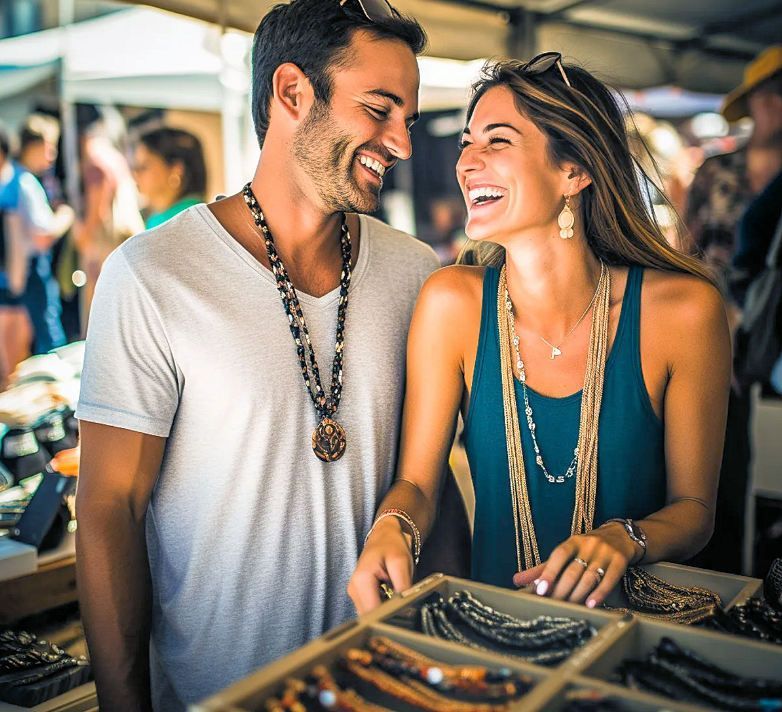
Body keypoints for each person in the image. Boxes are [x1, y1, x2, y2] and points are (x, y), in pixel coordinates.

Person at [75, 1, 433, 709]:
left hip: (381, 687)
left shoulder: (418, 274)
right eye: (380, 109)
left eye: (409, 121)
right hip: (216, 695)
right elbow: (109, 507)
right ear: (292, 93)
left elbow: (428, 487)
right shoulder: (153, 274)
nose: (403, 144)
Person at [349, 55, 731, 614]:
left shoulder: (685, 312)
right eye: (466, 141)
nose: (466, 162)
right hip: (496, 639)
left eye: (496, 142)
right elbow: (418, 484)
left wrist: (624, 537)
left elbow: (695, 510)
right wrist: (393, 526)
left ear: (573, 172)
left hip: (636, 637)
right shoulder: (451, 303)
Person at [688, 45, 782, 574]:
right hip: (713, 328)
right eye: (770, 97)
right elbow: (683, 247)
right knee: (715, 465)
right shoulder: (717, 171)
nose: (776, 108)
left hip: (769, 336)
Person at [0, 115, 74, 359]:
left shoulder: (15, 179)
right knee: (48, 341)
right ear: (33, 145)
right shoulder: (25, 182)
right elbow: (43, 235)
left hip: (17, 274)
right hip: (31, 272)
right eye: (49, 146)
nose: (52, 154)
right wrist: (66, 215)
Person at [73, 106, 143, 322]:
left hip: (106, 238)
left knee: (99, 303)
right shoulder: (112, 154)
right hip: (122, 233)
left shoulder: (95, 158)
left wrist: (85, 235)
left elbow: (98, 205)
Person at [132, 127, 207, 229]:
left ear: (176, 170)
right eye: (136, 167)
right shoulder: (157, 220)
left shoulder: (189, 220)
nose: (135, 173)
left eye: (144, 166)